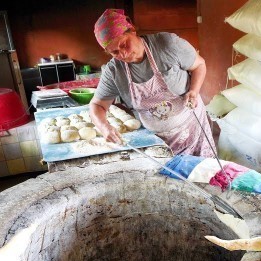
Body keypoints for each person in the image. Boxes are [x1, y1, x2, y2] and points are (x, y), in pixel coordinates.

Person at [89, 9, 217, 158]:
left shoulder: (167, 45)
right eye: (115, 52)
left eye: (124, 44)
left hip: (193, 130)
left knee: (203, 174)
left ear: (132, 30)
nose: (122, 54)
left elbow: (199, 65)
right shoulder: (114, 71)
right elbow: (97, 105)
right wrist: (104, 127)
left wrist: (194, 91)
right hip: (157, 141)